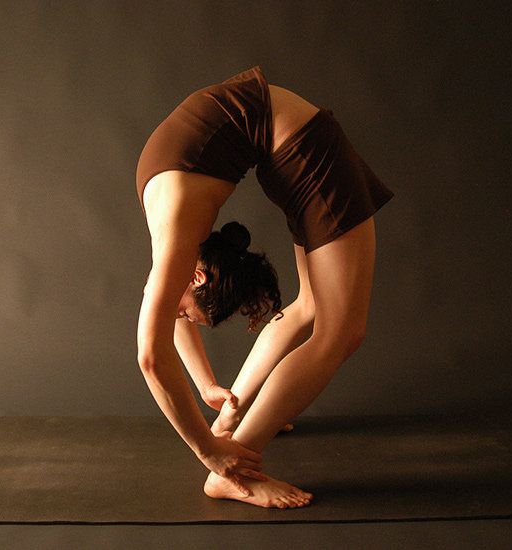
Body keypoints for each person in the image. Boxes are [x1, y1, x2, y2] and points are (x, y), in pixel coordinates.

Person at [135, 66, 394, 509]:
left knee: (328, 320)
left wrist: (210, 447)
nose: (181, 318)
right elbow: (160, 334)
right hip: (292, 147)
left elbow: (152, 353)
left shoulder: (177, 236)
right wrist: (208, 403)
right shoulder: (178, 242)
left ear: (197, 277)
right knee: (327, 321)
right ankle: (238, 445)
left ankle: (235, 444)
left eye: (187, 314)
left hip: (300, 149)